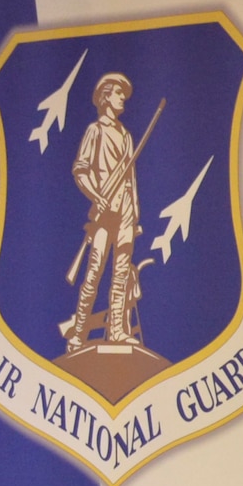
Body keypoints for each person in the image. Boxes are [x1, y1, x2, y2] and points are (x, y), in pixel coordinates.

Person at [64, 73, 141, 352]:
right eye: (118, 93)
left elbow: (131, 179)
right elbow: (80, 170)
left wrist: (135, 216)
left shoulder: (127, 136)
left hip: (125, 215)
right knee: (94, 274)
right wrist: (97, 197)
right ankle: (78, 335)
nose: (123, 98)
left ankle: (117, 331)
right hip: (103, 214)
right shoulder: (94, 131)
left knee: (121, 274)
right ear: (106, 96)